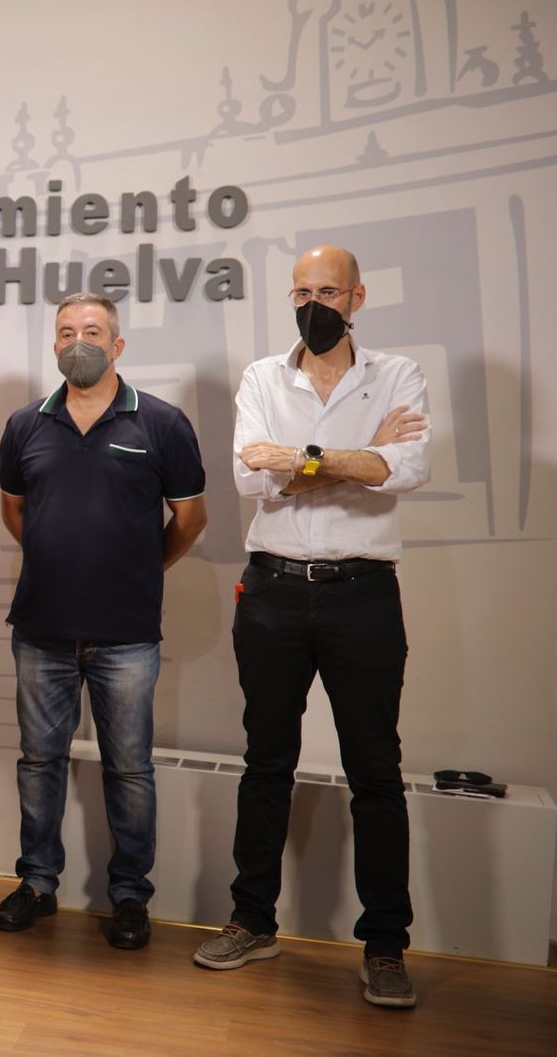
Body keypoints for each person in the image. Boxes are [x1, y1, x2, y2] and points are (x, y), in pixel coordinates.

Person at [193, 245, 429, 1010]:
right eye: (301, 290)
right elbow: (246, 475)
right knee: (266, 759)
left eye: (327, 289)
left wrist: (303, 458)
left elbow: (407, 468)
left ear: (357, 295)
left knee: (375, 769)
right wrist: (353, 458)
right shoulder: (265, 376)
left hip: (364, 595)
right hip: (272, 591)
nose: (313, 302)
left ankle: (386, 943)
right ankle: (251, 919)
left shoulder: (396, 375)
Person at [0, 292, 208, 950]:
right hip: (41, 630)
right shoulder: (25, 425)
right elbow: (15, 513)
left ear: (117, 346)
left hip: (127, 635)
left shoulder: (163, 424)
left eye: (91, 331)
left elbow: (190, 520)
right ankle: (37, 882)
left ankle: (129, 896)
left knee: (129, 769)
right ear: (53, 345)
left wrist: (141, 570)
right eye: (65, 332)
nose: (76, 341)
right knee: (39, 763)